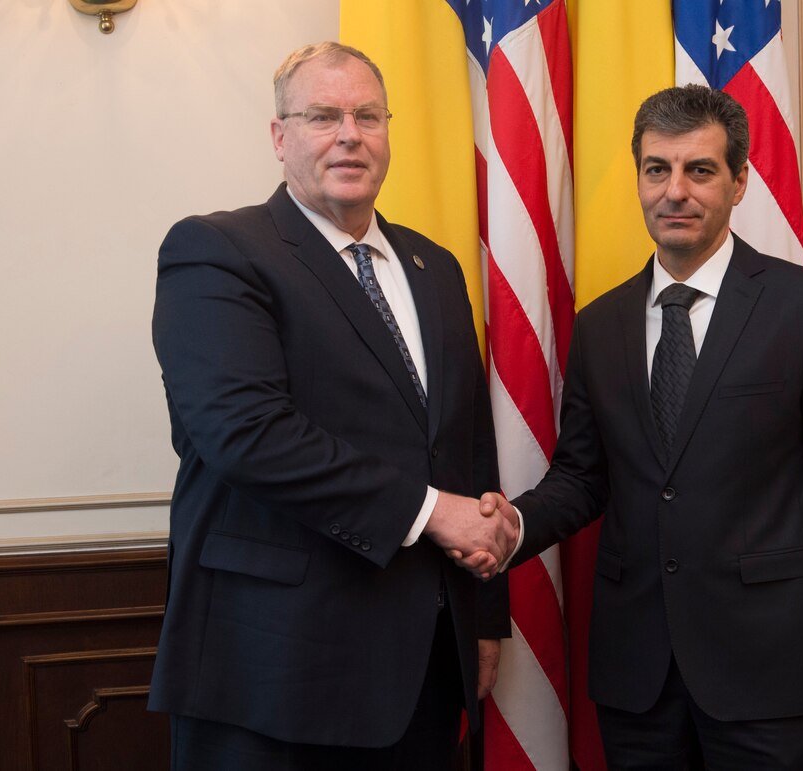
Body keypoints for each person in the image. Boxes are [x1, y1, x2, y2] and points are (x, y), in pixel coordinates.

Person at [472, 85, 803, 769]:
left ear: (740, 182)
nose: (675, 191)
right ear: (639, 176)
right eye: (656, 169)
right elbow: (584, 477)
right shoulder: (601, 324)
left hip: (768, 671)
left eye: (699, 170)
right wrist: (512, 526)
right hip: (637, 676)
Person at [150, 42, 517, 770]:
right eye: (323, 115)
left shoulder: (434, 267)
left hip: (424, 666)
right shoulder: (218, 251)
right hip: (274, 671)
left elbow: (466, 447)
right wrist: (429, 511)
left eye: (367, 116)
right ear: (280, 136)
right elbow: (246, 434)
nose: (350, 134)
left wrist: (484, 614)